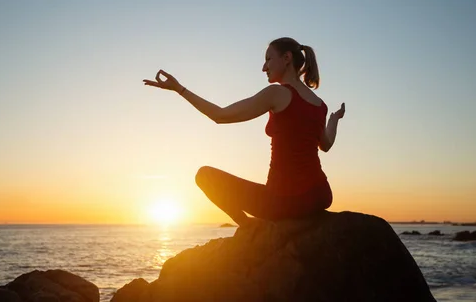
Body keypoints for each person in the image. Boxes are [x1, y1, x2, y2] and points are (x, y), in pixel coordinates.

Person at [143, 37, 345, 227]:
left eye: (268, 59)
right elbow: (325, 145)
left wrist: (179, 89)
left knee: (204, 176)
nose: (264, 67)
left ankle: (249, 226)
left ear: (286, 58)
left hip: (284, 201)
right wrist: (334, 120)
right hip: (320, 194)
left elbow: (220, 116)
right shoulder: (320, 105)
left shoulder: (276, 93)